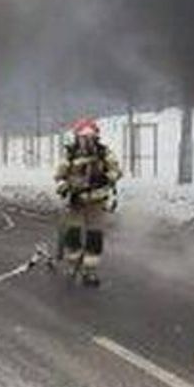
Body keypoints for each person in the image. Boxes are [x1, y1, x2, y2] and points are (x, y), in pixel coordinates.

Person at [54, 119, 121, 283]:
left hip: (97, 201)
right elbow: (59, 175)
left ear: (96, 136)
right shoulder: (70, 154)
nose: (86, 140)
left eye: (90, 136)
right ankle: (72, 264)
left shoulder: (104, 153)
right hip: (75, 201)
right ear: (76, 137)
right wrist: (65, 187)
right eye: (83, 136)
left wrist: (104, 177)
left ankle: (90, 271)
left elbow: (116, 171)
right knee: (73, 234)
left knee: (94, 236)